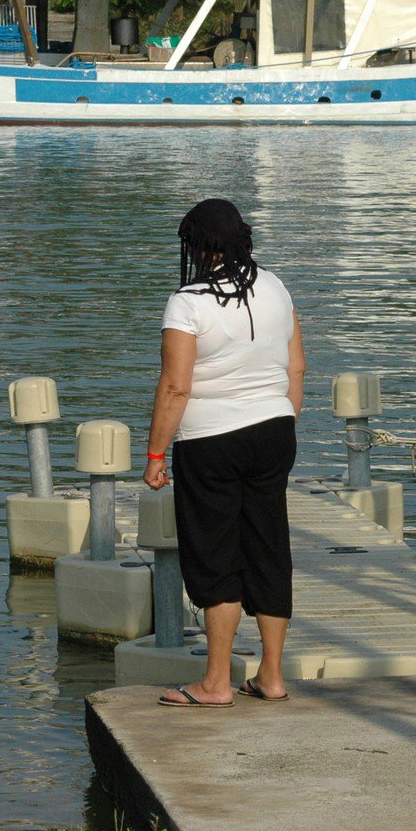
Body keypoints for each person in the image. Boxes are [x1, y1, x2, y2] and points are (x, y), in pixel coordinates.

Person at [144, 198, 305, 708]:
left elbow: (175, 387)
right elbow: (296, 368)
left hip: (211, 440)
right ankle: (271, 677)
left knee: (215, 555)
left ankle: (215, 683)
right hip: (274, 429)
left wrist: (154, 455)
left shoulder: (188, 301)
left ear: (194, 245)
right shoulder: (276, 286)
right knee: (268, 548)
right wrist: (280, 422)